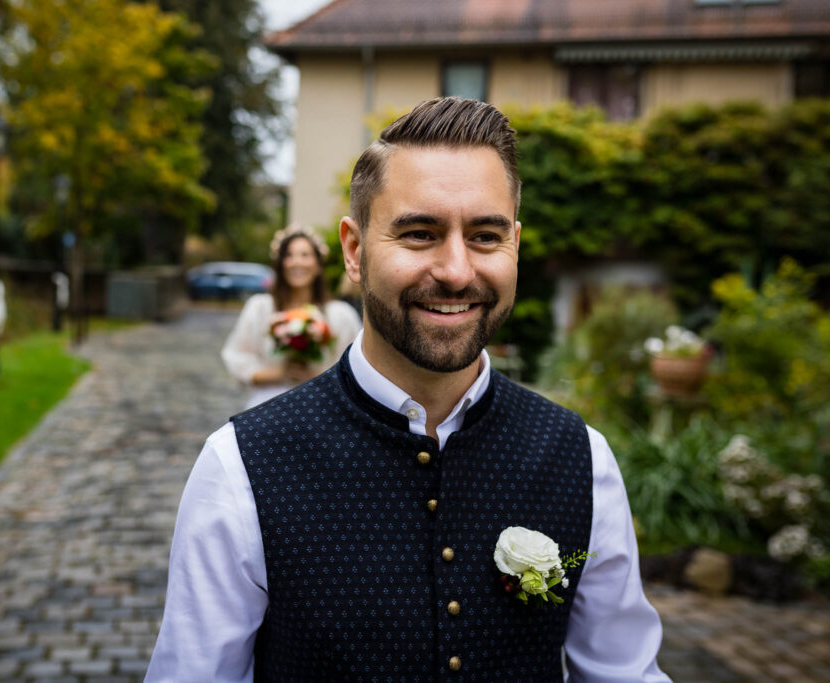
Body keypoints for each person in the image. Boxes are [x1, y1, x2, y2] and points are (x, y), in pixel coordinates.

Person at [146, 98, 669, 681]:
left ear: (515, 244)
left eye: (486, 236)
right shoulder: (241, 466)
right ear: (354, 249)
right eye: (419, 234)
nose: (455, 270)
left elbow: (625, 672)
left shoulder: (581, 458)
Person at [221, 224, 361, 408]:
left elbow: (355, 369)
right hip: (269, 403)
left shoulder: (341, 315)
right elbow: (237, 357)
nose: (297, 262)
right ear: (280, 264)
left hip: (323, 405)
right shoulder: (260, 307)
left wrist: (315, 375)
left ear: (318, 265)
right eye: (289, 255)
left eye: (305, 255)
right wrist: (281, 373)